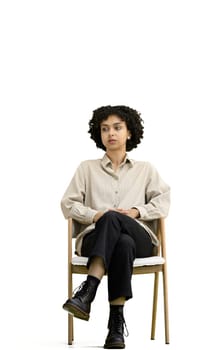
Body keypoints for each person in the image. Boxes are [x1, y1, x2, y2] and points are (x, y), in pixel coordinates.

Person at [61, 105, 170, 349]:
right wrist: (95, 214)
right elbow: (68, 204)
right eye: (105, 129)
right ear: (98, 134)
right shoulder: (86, 168)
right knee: (121, 240)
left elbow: (164, 201)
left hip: (141, 238)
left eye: (117, 128)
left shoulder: (146, 169)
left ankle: (87, 292)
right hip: (95, 239)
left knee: (118, 224)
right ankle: (115, 325)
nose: (111, 133)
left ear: (129, 132)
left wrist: (137, 212)